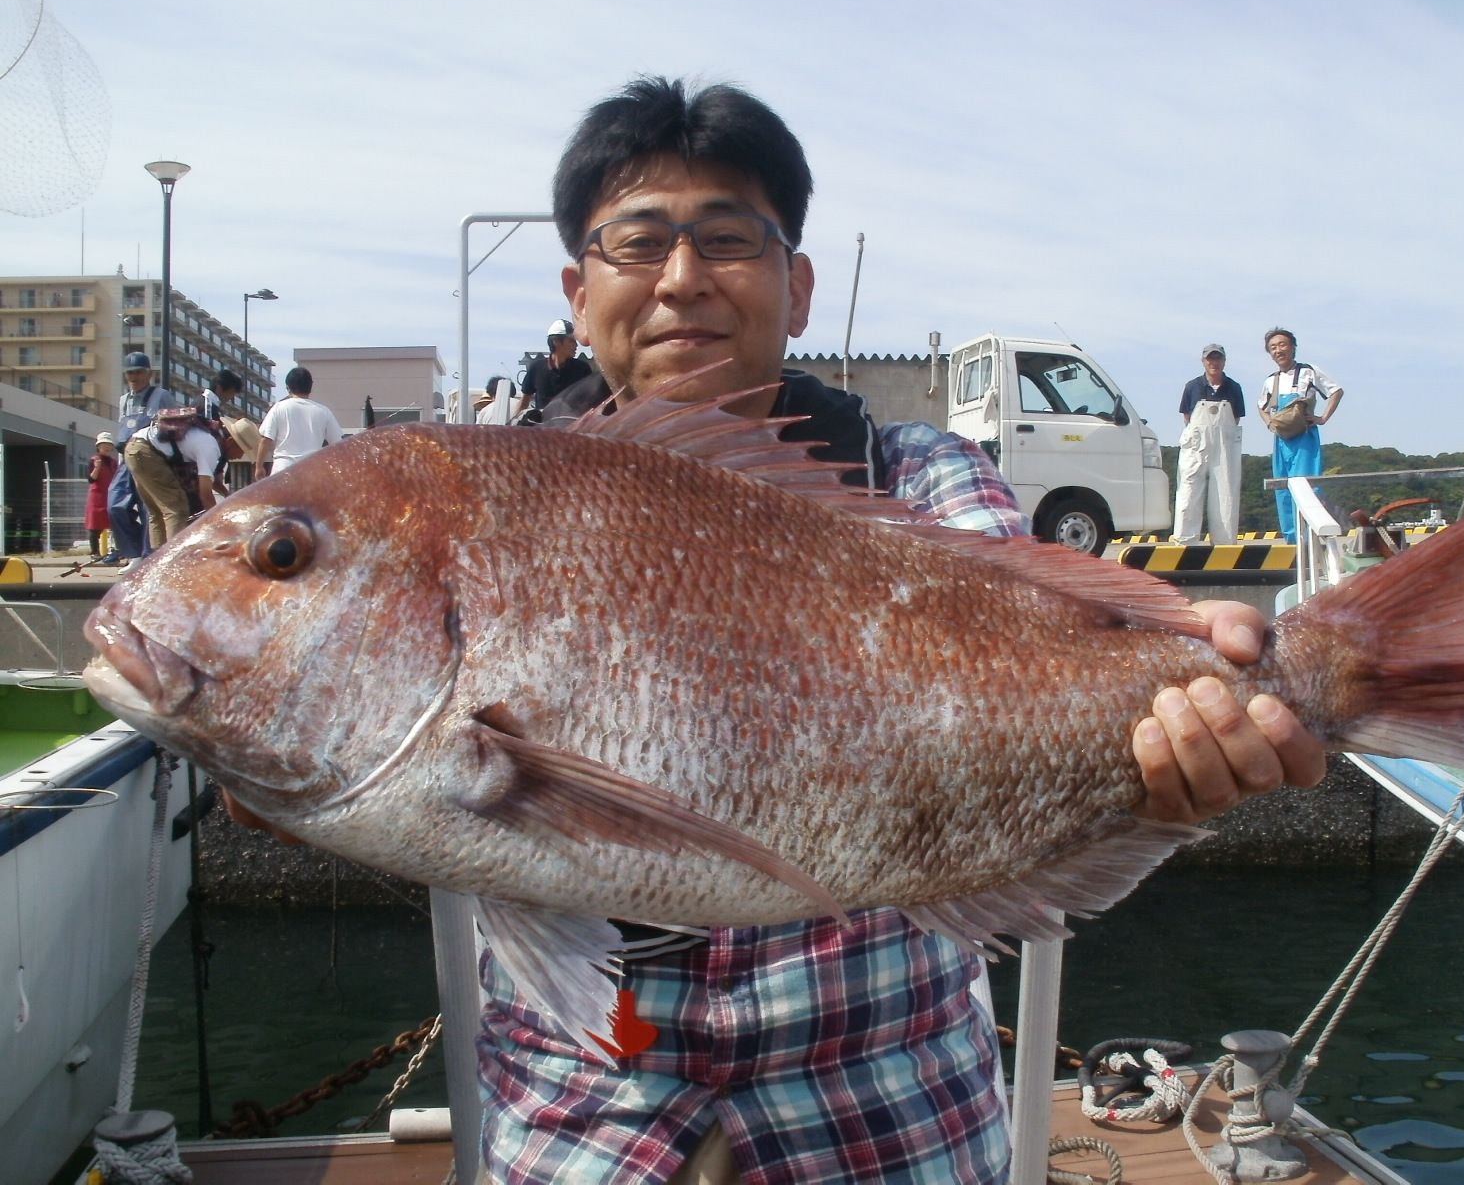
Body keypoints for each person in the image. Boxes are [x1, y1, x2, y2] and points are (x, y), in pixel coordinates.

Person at [463, 76, 1328, 1185]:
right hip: (581, 1105)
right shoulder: (487, 498)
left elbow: (1040, 644)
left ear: (798, 288)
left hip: (887, 1098)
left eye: (727, 238)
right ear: (579, 297)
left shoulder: (919, 478)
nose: (682, 279)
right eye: (638, 243)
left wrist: (1181, 706)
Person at [1258, 328, 1343, 541]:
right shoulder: (1271, 380)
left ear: (1293, 347)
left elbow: (1336, 391)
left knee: (1307, 488)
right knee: (1283, 490)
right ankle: (1292, 542)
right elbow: (1261, 406)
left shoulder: (1309, 371)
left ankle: (1312, 540)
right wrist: (1270, 424)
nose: (1278, 350)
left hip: (1305, 437)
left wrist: (1323, 417)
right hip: (1281, 440)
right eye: (1273, 347)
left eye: (1282, 345)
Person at [107, 352, 176, 570]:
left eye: (138, 372)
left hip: (151, 459)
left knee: (149, 509)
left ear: (149, 374)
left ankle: (149, 555)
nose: (134, 377)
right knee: (114, 505)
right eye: (130, 373)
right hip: (126, 459)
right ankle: (133, 552)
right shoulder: (123, 400)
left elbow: (174, 427)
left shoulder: (161, 396)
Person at [1172, 343, 1245, 544]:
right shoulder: (1192, 386)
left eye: (1218, 358)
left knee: (1225, 493)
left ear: (1224, 361)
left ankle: (1224, 544)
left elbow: (1236, 418)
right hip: (1196, 444)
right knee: (1189, 491)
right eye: (1210, 359)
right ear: (1203, 361)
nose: (1214, 362)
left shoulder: (1234, 388)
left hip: (1224, 444)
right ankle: (1185, 542)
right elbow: (1187, 417)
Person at [123, 408, 221, 548]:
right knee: (177, 508)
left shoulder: (203, 436)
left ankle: (157, 558)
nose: (239, 455)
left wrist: (227, 494)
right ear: (231, 441)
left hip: (135, 448)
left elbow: (210, 480)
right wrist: (217, 525)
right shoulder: (210, 447)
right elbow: (205, 493)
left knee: (157, 512)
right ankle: (175, 557)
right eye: (242, 449)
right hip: (147, 453)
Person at [254, 366, 344, 477]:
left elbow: (266, 439)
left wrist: (259, 467)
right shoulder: (324, 411)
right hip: (312, 470)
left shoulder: (279, 407)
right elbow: (338, 444)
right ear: (310, 386)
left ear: (288, 388)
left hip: (283, 469)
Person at [513, 317, 594, 421]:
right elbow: (523, 403)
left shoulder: (582, 369)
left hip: (573, 426)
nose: (576, 345)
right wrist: (512, 423)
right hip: (543, 427)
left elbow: (591, 401)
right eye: (571, 341)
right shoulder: (536, 368)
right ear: (556, 341)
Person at [84, 432, 118, 562]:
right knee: (95, 526)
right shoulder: (94, 460)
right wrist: (97, 467)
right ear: (98, 446)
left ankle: (114, 550)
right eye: (104, 444)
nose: (107, 447)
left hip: (110, 495)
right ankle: (94, 552)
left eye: (109, 444)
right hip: (97, 497)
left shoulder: (113, 462)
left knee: (115, 524)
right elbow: (91, 479)